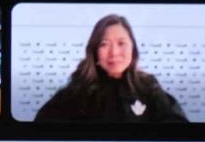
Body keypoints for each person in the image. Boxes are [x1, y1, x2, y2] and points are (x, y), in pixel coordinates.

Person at [33, 14, 187, 123]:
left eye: (121, 43)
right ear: (95, 52)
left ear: (133, 49)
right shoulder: (78, 89)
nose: (114, 52)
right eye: (104, 44)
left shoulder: (148, 86)